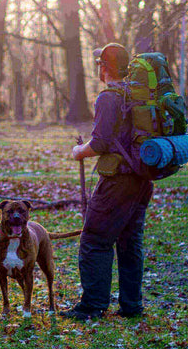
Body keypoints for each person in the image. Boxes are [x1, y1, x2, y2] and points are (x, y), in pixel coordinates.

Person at [60, 43, 153, 321]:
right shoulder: (137, 95)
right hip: (143, 179)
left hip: (118, 181)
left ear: (104, 67)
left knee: (94, 239)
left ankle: (92, 306)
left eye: (99, 64)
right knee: (129, 242)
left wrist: (79, 151)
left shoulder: (108, 98)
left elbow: (100, 143)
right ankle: (131, 306)